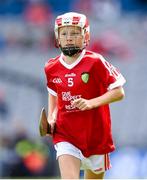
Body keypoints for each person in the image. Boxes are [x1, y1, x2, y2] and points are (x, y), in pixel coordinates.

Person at [44, 12, 126, 179]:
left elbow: (119, 92)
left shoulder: (96, 62)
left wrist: (91, 103)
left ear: (85, 35)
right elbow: (54, 94)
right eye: (64, 33)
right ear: (57, 36)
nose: (68, 38)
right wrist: (52, 118)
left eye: (74, 33)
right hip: (65, 133)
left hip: (96, 136)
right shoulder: (51, 67)